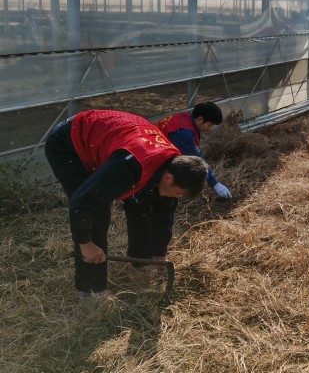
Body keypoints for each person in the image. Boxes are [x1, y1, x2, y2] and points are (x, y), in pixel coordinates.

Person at [45, 110, 208, 298]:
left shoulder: (173, 167)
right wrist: (85, 243)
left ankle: (140, 261)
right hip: (70, 142)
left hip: (112, 140)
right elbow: (82, 202)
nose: (177, 197)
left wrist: (158, 253)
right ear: (169, 178)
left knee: (143, 202)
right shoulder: (130, 165)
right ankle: (90, 290)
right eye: (179, 193)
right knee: (98, 212)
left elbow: (164, 215)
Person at [156, 101, 232, 199]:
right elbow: (196, 161)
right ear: (200, 119)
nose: (209, 129)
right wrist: (215, 184)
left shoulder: (187, 118)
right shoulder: (183, 133)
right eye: (209, 125)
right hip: (156, 162)